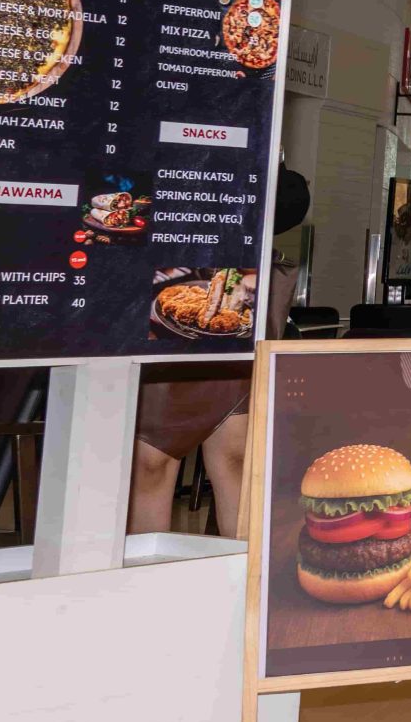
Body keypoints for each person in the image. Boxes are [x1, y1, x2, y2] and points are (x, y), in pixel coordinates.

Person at [130, 167, 307, 537]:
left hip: (237, 298)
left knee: (233, 458)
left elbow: (291, 201)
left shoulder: (249, 134)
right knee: (153, 460)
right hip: (160, 298)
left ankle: (242, 584)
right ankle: (147, 582)